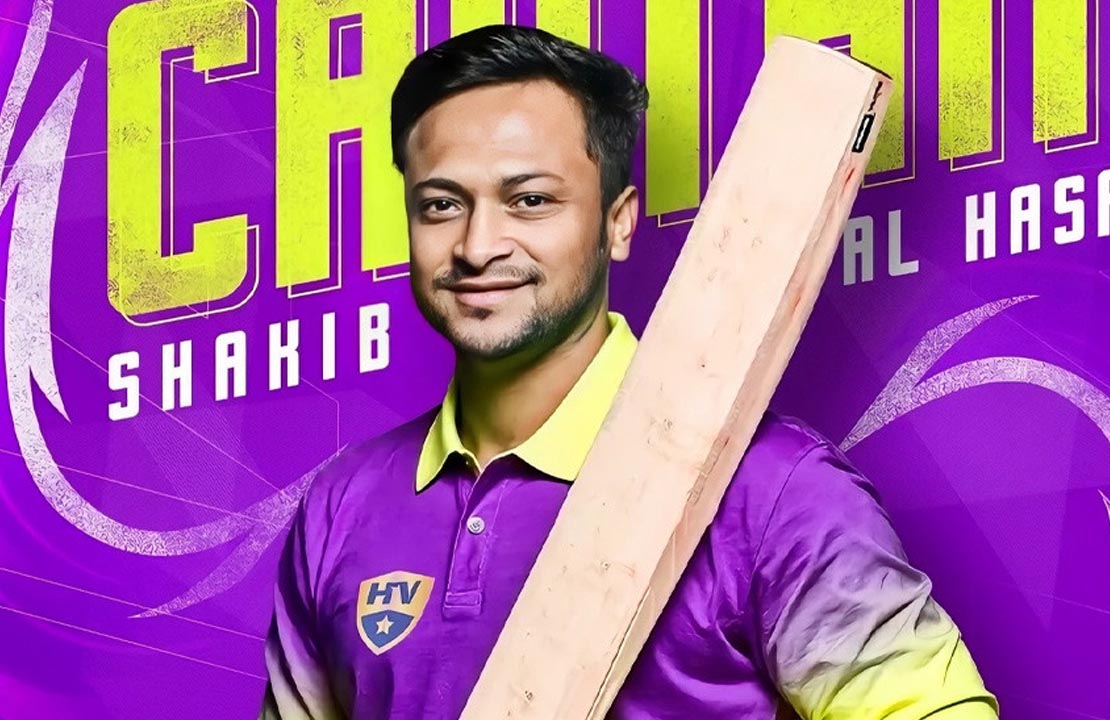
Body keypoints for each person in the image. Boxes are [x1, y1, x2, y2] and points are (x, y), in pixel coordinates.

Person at [261, 23, 998, 720]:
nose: (477, 246)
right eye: (442, 204)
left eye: (530, 200)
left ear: (618, 221)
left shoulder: (772, 488)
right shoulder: (343, 506)